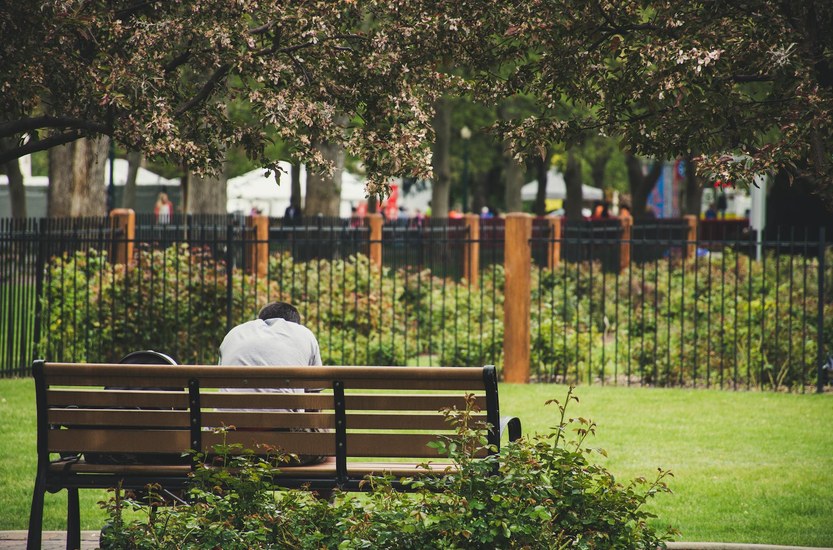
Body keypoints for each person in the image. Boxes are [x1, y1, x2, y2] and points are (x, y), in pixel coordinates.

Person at [218, 301, 325, 465]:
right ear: (294, 323)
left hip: (227, 446)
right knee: (328, 439)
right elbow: (313, 401)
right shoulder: (303, 334)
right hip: (284, 450)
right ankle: (318, 489)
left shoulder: (234, 334)